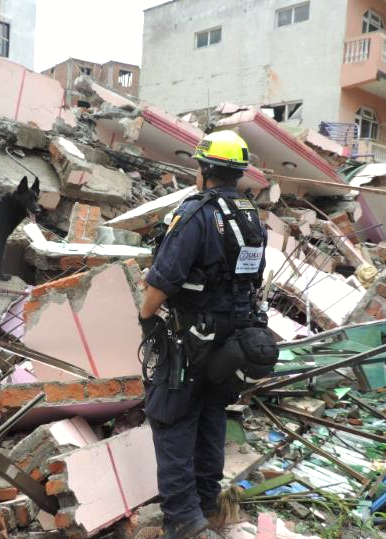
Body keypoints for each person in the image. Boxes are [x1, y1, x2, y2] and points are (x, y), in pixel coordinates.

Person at [138, 130, 270, 539]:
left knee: (171, 418)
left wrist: (146, 318)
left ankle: (183, 520)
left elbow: (163, 279)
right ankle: (208, 506)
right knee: (211, 414)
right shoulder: (250, 216)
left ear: (205, 170)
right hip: (231, 340)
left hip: (190, 338)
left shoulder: (195, 214)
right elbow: (253, 277)